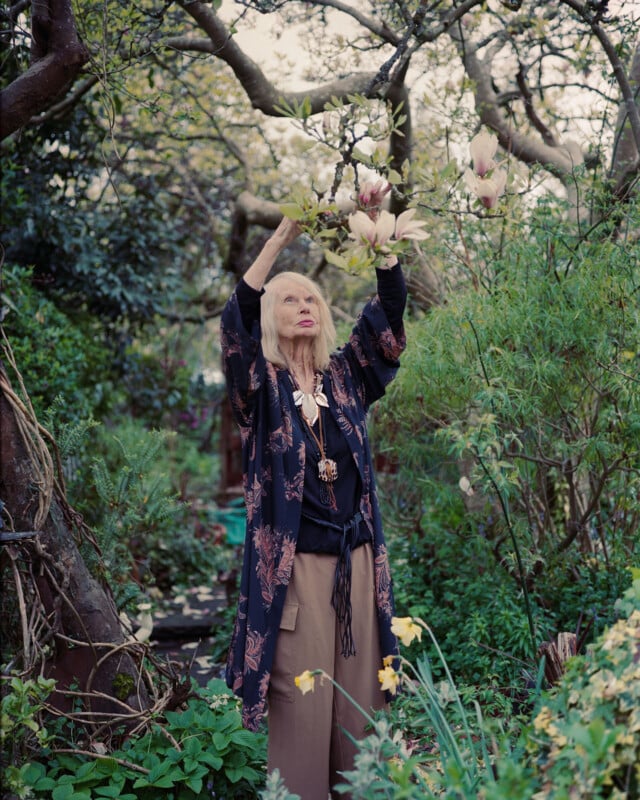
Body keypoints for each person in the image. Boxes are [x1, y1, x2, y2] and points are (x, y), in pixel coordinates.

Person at [220, 214, 407, 800]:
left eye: (312, 298)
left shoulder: (346, 376)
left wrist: (383, 243)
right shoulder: (259, 388)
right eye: (290, 299)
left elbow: (389, 318)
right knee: (302, 718)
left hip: (357, 569)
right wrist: (280, 236)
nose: (305, 306)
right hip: (295, 575)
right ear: (272, 318)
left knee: (362, 716)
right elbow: (235, 321)